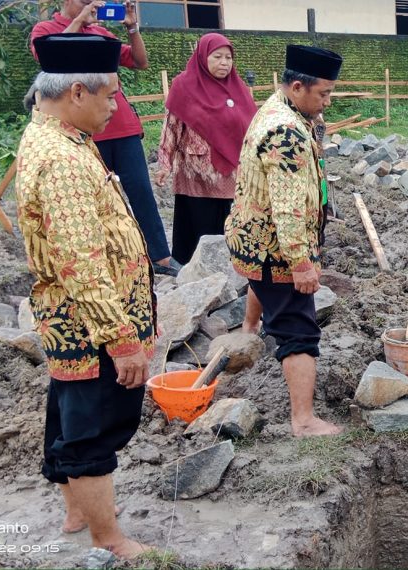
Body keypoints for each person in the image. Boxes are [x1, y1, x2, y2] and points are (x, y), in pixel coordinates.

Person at [16, 33, 156, 558]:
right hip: (90, 324)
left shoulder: (53, 136)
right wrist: (122, 340)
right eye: (111, 96)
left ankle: (78, 510)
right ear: (78, 91)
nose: (115, 106)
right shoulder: (65, 161)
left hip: (73, 321)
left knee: (70, 415)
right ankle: (109, 538)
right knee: (93, 429)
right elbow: (82, 262)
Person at [224, 44, 342, 437]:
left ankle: (249, 328)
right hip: (273, 247)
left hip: (250, 240)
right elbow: (288, 207)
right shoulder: (286, 131)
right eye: (323, 93)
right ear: (297, 86)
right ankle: (303, 420)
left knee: (263, 284)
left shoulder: (278, 108)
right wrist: (301, 264)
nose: (327, 102)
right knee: (299, 328)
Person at [31, 0, 180, 276]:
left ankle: (160, 257)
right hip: (81, 130)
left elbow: (139, 61)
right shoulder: (45, 29)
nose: (92, 5)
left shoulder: (103, 34)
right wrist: (79, 23)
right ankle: (104, 262)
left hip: (122, 126)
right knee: (91, 199)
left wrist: (132, 27)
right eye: (85, 1)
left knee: (141, 193)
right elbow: (52, 58)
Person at [154, 33, 257, 265]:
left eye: (228, 58)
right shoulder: (184, 85)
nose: (224, 63)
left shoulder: (238, 88)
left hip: (232, 173)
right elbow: (171, 128)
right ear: (202, 57)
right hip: (196, 174)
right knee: (199, 226)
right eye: (217, 57)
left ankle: (233, 269)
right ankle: (192, 270)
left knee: (231, 223)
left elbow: (253, 128)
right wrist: (164, 164)